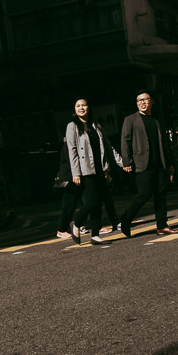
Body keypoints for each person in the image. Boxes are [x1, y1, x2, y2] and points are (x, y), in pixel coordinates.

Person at [119, 90, 178, 237]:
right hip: (142, 163)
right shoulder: (130, 119)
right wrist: (126, 161)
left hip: (159, 163)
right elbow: (125, 141)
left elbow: (164, 144)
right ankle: (126, 219)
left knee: (161, 194)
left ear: (151, 102)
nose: (142, 103)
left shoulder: (157, 120)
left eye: (145, 100)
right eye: (139, 100)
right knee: (143, 194)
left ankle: (162, 226)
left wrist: (169, 163)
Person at [66, 98, 118, 246]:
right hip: (85, 170)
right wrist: (76, 173)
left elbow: (106, 148)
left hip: (99, 169)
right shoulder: (72, 126)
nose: (81, 108)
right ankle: (76, 224)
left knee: (98, 203)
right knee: (92, 201)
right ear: (75, 110)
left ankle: (95, 235)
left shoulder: (96, 126)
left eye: (84, 105)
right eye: (78, 106)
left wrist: (111, 167)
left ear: (89, 108)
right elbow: (72, 151)